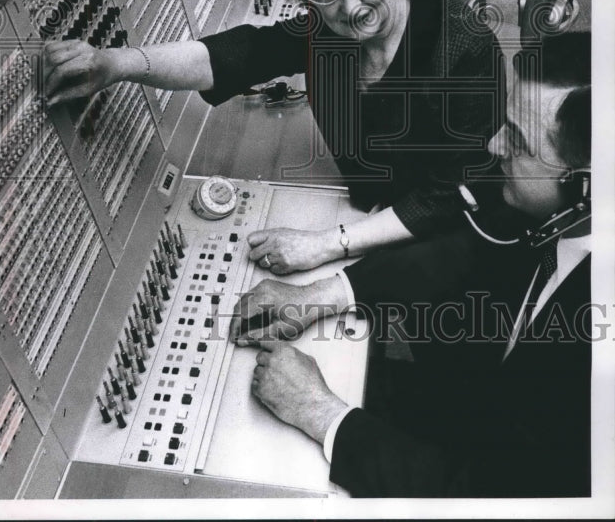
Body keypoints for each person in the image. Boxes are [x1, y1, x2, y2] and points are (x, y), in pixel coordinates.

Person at [43, 0, 505, 275]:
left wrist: (326, 244)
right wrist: (117, 64)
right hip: (368, 213)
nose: (350, 7)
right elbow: (234, 56)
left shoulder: (464, 46)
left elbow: (457, 194)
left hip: (447, 242)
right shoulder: (326, 32)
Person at [233, 31, 592, 498]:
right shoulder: (557, 213)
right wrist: (325, 294)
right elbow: (468, 248)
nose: (494, 145)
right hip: (465, 404)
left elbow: (493, 493)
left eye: (518, 141)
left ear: (583, 187)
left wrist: (321, 413)